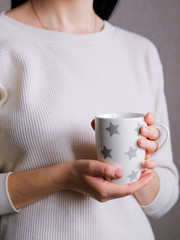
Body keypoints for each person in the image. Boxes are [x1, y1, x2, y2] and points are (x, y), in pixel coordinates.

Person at [0, 0, 179, 239]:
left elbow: (163, 201)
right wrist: (63, 178)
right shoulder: (6, 40)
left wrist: (136, 167)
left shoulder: (141, 52)